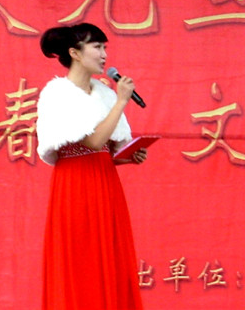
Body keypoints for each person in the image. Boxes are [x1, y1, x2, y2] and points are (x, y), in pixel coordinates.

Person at [36, 23, 146, 310]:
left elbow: (105, 150)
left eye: (105, 47)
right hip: (75, 186)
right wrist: (122, 101)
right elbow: (93, 141)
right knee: (81, 259)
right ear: (75, 53)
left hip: (106, 183)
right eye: (97, 47)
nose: (104, 54)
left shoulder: (103, 93)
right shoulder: (58, 94)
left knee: (111, 257)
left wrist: (127, 156)